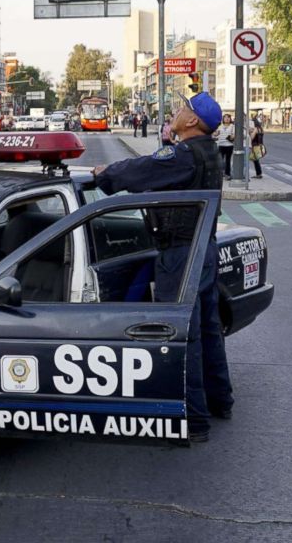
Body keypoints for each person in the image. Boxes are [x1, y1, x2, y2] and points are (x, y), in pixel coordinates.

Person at [92, 91, 233, 443]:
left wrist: (105, 174)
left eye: (183, 108)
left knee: (182, 335)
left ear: (192, 122)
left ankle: (193, 419)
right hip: (204, 249)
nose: (176, 111)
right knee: (208, 329)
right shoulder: (208, 152)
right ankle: (221, 400)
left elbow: (142, 170)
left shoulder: (183, 155)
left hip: (181, 255)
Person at [214, 113, 234, 178]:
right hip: (221, 145)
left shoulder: (232, 126)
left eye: (228, 117)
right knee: (220, 160)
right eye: (225, 117)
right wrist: (214, 133)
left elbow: (234, 134)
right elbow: (216, 133)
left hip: (229, 145)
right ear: (223, 119)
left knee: (228, 161)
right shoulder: (220, 126)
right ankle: (220, 173)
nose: (227, 119)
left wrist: (232, 136)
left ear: (230, 119)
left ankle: (227, 174)